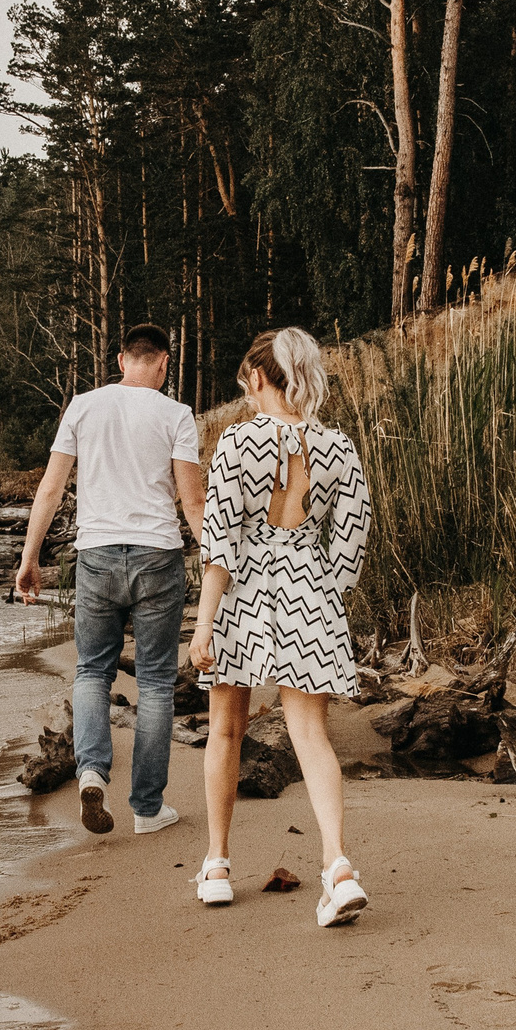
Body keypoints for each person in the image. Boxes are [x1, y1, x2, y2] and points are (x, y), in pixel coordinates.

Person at [187, 327, 374, 922]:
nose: (246, 392)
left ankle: (217, 865)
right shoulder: (337, 446)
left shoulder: (237, 443)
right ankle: (337, 867)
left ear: (260, 378)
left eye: (247, 381)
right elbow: (354, 534)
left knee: (225, 729)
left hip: (245, 592)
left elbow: (219, 544)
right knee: (311, 736)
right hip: (310, 589)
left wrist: (204, 624)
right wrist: (325, 590)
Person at [15, 325, 206, 836]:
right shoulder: (177, 415)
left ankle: (92, 772)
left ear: (123, 360)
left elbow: (51, 489)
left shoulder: (82, 406)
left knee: (91, 672)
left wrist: (30, 557)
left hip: (96, 556)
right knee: (157, 683)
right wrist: (219, 564)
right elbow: (192, 504)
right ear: (164, 363)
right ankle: (147, 809)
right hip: (157, 558)